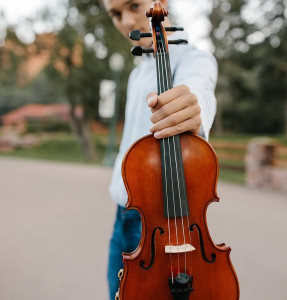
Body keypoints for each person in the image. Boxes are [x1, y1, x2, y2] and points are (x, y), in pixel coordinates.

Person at [102, 0, 217, 299]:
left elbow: (198, 89)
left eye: (133, 5)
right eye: (115, 13)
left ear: (160, 4)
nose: (126, 21)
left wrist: (194, 110)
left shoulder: (195, 60)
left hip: (165, 225)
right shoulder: (137, 74)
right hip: (123, 215)